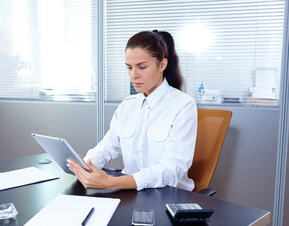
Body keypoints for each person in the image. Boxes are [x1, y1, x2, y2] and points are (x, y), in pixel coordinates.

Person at [67, 30, 197, 191]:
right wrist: (85, 165)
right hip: (131, 193)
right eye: (129, 67)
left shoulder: (183, 105)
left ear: (162, 65)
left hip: (168, 195)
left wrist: (110, 183)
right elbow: (107, 147)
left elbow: (172, 169)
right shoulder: (128, 105)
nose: (133, 75)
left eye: (142, 67)